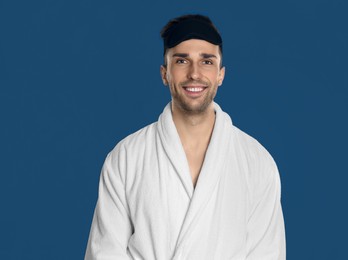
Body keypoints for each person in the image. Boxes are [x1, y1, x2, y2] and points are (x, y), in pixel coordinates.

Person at [85, 14, 286, 260]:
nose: (194, 74)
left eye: (207, 61)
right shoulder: (126, 158)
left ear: (221, 75)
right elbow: (104, 253)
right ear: (164, 73)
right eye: (181, 61)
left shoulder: (257, 163)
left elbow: (267, 254)